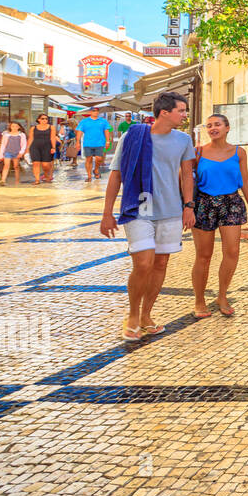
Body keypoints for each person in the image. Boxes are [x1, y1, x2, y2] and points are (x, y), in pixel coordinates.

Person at [99, 91, 196, 342]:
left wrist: (189, 205)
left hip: (171, 210)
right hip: (139, 207)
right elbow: (116, 175)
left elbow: (187, 175)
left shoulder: (184, 140)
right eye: (182, 110)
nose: (185, 115)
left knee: (161, 264)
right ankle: (132, 315)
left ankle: (146, 315)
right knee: (143, 263)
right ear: (165, 112)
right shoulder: (133, 136)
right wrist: (107, 213)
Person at [189, 114, 248, 319]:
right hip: (204, 203)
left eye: (217, 124)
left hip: (231, 203)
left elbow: (244, 180)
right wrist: (187, 208)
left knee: (232, 252)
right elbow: (188, 181)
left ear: (227, 127)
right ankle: (199, 300)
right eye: (209, 126)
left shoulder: (239, 152)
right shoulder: (197, 152)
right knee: (203, 256)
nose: (213, 128)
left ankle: (222, 296)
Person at [77, 107, 113, 180]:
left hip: (100, 143)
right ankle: (89, 176)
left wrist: (108, 141)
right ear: (90, 112)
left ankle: (96, 169)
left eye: (97, 111)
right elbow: (79, 132)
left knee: (99, 158)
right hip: (87, 143)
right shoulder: (84, 121)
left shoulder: (103, 121)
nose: (95, 112)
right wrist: (77, 142)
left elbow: (106, 131)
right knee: (88, 159)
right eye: (94, 111)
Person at [28, 113, 57, 183]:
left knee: (45, 164)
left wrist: (53, 147)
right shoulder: (33, 128)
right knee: (35, 163)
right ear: (38, 120)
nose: (44, 120)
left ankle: (47, 175)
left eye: (46, 119)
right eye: (42, 118)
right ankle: (37, 180)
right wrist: (27, 149)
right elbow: (30, 138)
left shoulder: (51, 127)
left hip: (47, 146)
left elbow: (53, 138)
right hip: (35, 146)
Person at [0, 121, 28, 186]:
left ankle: (17, 180)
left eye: (16, 126)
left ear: (19, 127)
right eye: (13, 126)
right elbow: (3, 145)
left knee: (16, 166)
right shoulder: (6, 135)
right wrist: (1, 155)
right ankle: (3, 180)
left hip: (17, 152)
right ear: (10, 127)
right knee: (6, 165)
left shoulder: (21, 135)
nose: (14, 128)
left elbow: (24, 144)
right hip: (7, 152)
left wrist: (21, 152)